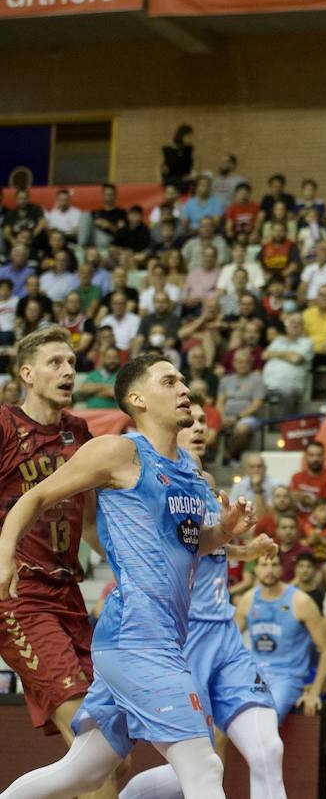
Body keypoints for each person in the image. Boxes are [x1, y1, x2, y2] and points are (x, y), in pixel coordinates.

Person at [0, 354, 254, 798]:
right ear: (137, 399)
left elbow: (191, 543)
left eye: (183, 381)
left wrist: (226, 531)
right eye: (170, 381)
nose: (184, 389)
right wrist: (5, 554)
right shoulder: (118, 451)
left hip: (155, 641)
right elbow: (34, 498)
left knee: (78, 773)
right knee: (205, 768)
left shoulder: (190, 474)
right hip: (138, 641)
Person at [118, 395, 286, 799]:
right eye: (188, 420)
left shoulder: (206, 486)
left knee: (269, 750)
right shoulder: (155, 482)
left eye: (201, 422)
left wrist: (246, 549)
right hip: (183, 636)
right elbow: (180, 549)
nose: (197, 427)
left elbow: (210, 548)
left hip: (224, 632)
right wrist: (229, 535)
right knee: (200, 768)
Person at [0, 328, 111, 795]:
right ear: (26, 373)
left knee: (113, 758)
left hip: (69, 596)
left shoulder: (80, 433)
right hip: (20, 596)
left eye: (71, 362)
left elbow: (90, 523)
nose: (68, 370)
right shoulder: (5, 425)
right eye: (54, 362)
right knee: (92, 740)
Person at [237, 550, 326, 722]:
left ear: (282, 569)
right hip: (253, 675)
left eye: (274, 564)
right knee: (222, 721)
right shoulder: (248, 599)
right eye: (264, 565)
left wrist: (314, 693)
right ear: (256, 570)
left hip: (286, 678)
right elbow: (228, 644)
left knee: (264, 722)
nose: (269, 570)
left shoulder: (301, 601)